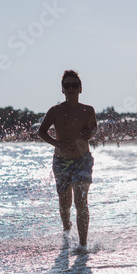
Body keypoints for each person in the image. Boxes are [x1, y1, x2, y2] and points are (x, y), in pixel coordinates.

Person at [38, 70, 97, 250]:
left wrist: (91, 133)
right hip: (61, 162)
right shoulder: (55, 111)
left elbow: (93, 129)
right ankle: (66, 230)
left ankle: (83, 245)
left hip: (82, 160)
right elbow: (41, 132)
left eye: (74, 85)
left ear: (80, 88)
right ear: (62, 90)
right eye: (67, 85)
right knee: (65, 204)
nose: (71, 88)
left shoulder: (88, 110)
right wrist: (57, 143)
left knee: (81, 201)